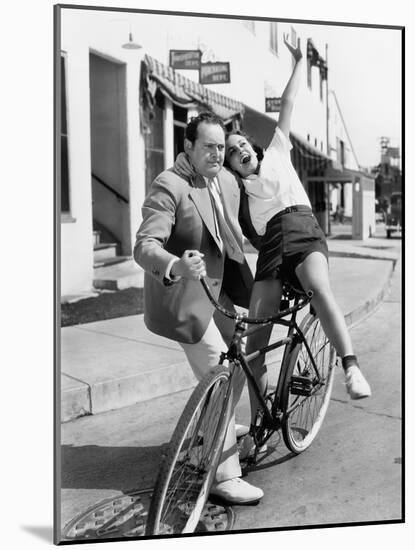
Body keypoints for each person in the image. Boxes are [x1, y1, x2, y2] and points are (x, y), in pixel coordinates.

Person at [223, 34, 372, 436]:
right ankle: (258, 421)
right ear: (233, 167)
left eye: (242, 145)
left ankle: (351, 367)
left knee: (320, 289)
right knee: (253, 344)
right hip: (272, 250)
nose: (241, 151)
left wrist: (299, 61)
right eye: (234, 153)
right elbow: (250, 236)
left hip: (303, 230)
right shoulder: (242, 195)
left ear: (253, 147)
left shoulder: (277, 152)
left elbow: (287, 103)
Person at [134, 111, 263, 504]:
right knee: (216, 371)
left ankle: (208, 435)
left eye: (221, 146)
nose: (217, 153)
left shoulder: (220, 178)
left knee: (240, 354)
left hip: (218, 293)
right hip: (185, 299)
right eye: (208, 146)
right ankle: (223, 474)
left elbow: (237, 229)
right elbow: (144, 245)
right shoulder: (168, 184)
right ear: (187, 146)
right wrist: (175, 265)